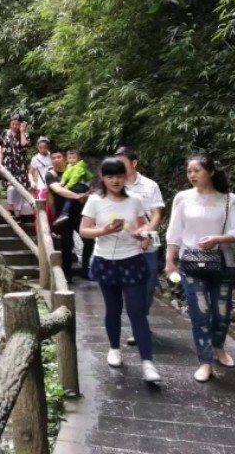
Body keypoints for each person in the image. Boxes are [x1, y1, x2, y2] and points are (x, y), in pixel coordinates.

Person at [165, 155, 235, 382]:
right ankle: (205, 361)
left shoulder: (229, 200)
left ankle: (219, 348)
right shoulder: (183, 198)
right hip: (191, 264)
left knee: (221, 313)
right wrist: (169, 260)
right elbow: (174, 231)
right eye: (189, 171)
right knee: (200, 314)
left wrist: (218, 238)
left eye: (197, 171)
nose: (192, 175)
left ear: (210, 172)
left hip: (223, 264)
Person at [80, 157, 161, 382]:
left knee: (137, 311)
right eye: (110, 176)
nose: (115, 180)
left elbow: (141, 224)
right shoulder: (95, 201)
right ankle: (114, 348)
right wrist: (104, 231)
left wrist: (143, 235)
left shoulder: (134, 200)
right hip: (106, 260)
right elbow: (84, 231)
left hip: (131, 258)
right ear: (102, 178)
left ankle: (148, 363)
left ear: (126, 176)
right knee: (113, 308)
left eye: (119, 176)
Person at [114, 147, 164, 346]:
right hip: (125, 244)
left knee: (149, 286)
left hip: (148, 245)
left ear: (133, 163)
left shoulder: (150, 186)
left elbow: (157, 213)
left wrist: (146, 234)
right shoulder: (115, 186)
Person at [45, 149, 89, 282]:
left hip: (79, 211)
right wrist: (77, 196)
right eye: (54, 158)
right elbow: (58, 190)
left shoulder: (75, 169)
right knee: (67, 244)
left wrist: (85, 195)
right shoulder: (51, 174)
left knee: (89, 240)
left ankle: (86, 270)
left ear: (64, 158)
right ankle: (67, 274)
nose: (57, 160)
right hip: (62, 214)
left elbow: (87, 185)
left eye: (59, 157)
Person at [0, 116, 30, 220]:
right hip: (9, 163)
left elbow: (24, 145)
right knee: (11, 187)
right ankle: (11, 206)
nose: (15, 126)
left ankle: (19, 212)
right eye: (13, 124)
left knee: (21, 188)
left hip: (21, 164)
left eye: (17, 124)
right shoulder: (5, 133)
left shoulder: (25, 134)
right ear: (10, 124)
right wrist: (1, 157)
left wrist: (22, 132)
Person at [54, 150, 94, 224]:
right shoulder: (69, 166)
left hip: (82, 185)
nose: (72, 160)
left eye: (74, 158)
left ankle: (65, 213)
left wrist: (67, 186)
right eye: (69, 158)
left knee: (69, 193)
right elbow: (66, 174)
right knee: (70, 196)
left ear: (78, 158)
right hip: (76, 185)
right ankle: (65, 213)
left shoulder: (80, 166)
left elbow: (75, 178)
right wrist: (63, 181)